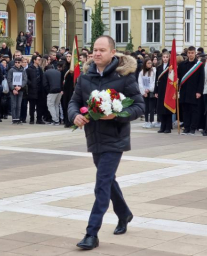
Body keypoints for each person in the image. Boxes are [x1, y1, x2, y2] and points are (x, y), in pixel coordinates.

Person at [69, 35, 144, 250]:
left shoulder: (124, 77)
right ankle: (124, 213)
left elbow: (139, 106)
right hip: (94, 137)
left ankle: (91, 234)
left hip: (116, 138)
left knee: (101, 182)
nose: (97, 53)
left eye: (102, 50)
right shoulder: (84, 78)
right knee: (108, 180)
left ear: (113, 52)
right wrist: (75, 115)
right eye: (95, 49)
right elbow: (74, 102)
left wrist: (118, 115)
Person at [178, 46, 205, 135]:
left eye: (192, 53)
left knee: (194, 111)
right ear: (187, 53)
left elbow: (201, 79)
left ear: (195, 53)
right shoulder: (182, 64)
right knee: (185, 110)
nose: (190, 55)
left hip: (194, 91)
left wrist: (199, 91)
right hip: (184, 91)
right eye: (189, 53)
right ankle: (186, 128)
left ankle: (193, 129)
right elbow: (178, 77)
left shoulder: (199, 65)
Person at [154, 52, 172, 133]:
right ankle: (162, 126)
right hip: (161, 90)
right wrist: (156, 91)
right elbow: (156, 80)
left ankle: (168, 127)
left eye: (166, 57)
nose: (165, 58)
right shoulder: (159, 68)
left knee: (167, 109)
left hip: (168, 90)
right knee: (161, 109)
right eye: (164, 57)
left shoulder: (171, 68)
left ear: (169, 58)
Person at [7, 57, 27, 124]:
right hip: (13, 90)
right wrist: (13, 88)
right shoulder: (11, 70)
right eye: (16, 62)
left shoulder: (23, 70)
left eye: (19, 62)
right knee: (13, 105)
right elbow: (9, 80)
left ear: (21, 63)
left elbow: (25, 79)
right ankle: (14, 118)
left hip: (20, 89)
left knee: (19, 105)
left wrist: (20, 87)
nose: (17, 64)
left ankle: (18, 118)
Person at [138, 58, 156, 128]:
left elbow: (154, 81)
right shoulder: (142, 72)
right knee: (146, 107)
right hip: (145, 92)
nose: (150, 64)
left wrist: (149, 89)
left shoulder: (153, 71)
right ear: (145, 64)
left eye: (150, 63)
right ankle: (146, 121)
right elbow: (140, 82)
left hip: (151, 92)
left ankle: (151, 121)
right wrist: (143, 91)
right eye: (148, 63)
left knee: (151, 107)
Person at [26, 55, 44, 124]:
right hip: (32, 90)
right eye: (38, 59)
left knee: (39, 105)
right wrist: (31, 83)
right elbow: (26, 78)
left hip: (39, 90)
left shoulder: (40, 69)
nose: (39, 61)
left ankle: (39, 119)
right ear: (34, 60)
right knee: (32, 106)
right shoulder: (29, 69)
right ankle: (32, 119)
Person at [62, 52, 74, 127]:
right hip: (65, 89)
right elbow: (62, 78)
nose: (68, 58)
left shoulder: (74, 67)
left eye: (70, 56)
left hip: (72, 88)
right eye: (67, 56)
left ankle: (72, 120)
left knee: (71, 105)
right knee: (65, 105)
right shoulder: (65, 67)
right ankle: (66, 121)